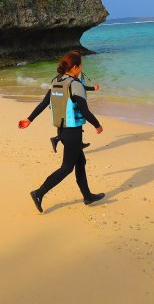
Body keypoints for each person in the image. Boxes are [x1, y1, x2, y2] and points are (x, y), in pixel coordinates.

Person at [18, 51, 105, 213]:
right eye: (81, 66)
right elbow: (85, 111)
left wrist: (29, 119)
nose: (81, 68)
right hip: (73, 132)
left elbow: (44, 103)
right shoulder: (75, 84)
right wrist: (97, 125)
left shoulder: (56, 81)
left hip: (62, 130)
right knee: (66, 167)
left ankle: (87, 196)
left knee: (80, 162)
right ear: (75, 67)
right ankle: (39, 193)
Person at [49, 74, 99, 153]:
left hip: (63, 101)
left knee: (63, 120)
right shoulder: (72, 76)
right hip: (74, 100)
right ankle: (59, 139)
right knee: (75, 120)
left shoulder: (59, 77)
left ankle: (60, 139)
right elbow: (78, 87)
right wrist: (93, 88)